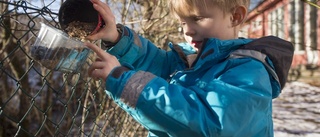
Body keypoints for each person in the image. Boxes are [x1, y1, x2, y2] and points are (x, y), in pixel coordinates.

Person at [84, 0, 294, 136]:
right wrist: (116, 39)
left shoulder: (248, 70)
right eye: (183, 23)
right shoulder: (189, 59)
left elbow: (209, 123)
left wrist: (125, 81)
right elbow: (156, 62)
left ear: (235, 16)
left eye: (197, 19)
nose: (188, 31)